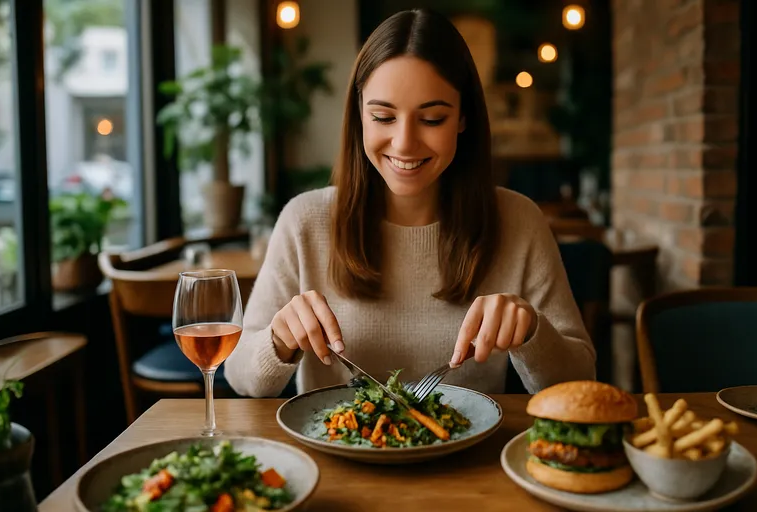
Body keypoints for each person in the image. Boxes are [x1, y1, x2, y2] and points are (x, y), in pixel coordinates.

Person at [224, 8, 596, 398]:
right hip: (334, 455)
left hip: (470, 457)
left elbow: (579, 381)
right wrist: (279, 340)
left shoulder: (518, 220)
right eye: (383, 117)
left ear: (463, 118)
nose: (404, 143)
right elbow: (241, 376)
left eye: (432, 119)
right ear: (359, 116)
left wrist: (532, 331)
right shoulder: (305, 221)